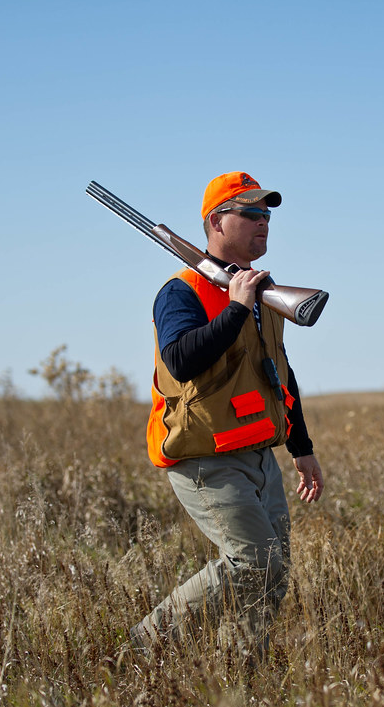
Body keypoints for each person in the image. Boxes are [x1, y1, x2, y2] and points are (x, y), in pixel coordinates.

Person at [131, 171, 324, 658]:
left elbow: (279, 371)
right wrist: (237, 308)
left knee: (273, 570)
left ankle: (241, 673)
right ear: (217, 221)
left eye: (267, 215)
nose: (264, 224)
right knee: (253, 562)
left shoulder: (265, 290)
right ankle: (144, 645)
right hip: (205, 455)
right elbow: (181, 360)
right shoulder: (181, 291)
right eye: (252, 214)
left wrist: (302, 450)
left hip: (259, 454)